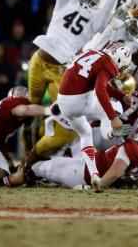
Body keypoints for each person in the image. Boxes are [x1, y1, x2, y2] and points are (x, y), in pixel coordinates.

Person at [27, 0, 120, 105]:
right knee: (60, 113)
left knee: (32, 105)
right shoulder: (94, 20)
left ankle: (30, 127)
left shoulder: (66, 3)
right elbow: (105, 15)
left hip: (40, 57)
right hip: (62, 65)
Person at [42, 41, 133, 192]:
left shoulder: (92, 52)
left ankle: (94, 175)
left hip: (64, 101)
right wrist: (113, 117)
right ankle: (109, 131)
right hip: (80, 100)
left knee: (86, 133)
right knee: (112, 108)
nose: (120, 70)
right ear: (118, 59)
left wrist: (120, 95)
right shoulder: (108, 63)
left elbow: (98, 81)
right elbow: (100, 89)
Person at [10, 126, 138, 190]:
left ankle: (8, 180)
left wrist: (95, 186)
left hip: (84, 173)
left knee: (38, 167)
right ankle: (48, 175)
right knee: (78, 143)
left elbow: (115, 172)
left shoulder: (130, 149)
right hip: (92, 161)